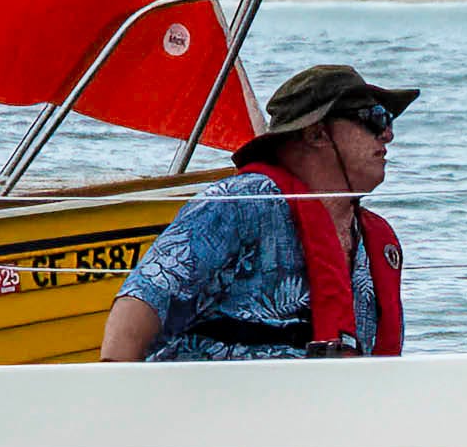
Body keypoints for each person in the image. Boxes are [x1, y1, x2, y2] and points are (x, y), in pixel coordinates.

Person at [102, 64, 416, 362]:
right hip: (218, 397)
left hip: (326, 397)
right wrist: (115, 391)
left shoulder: (376, 241)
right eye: (374, 118)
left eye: (388, 121)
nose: (387, 134)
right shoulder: (240, 202)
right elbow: (140, 302)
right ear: (317, 134)